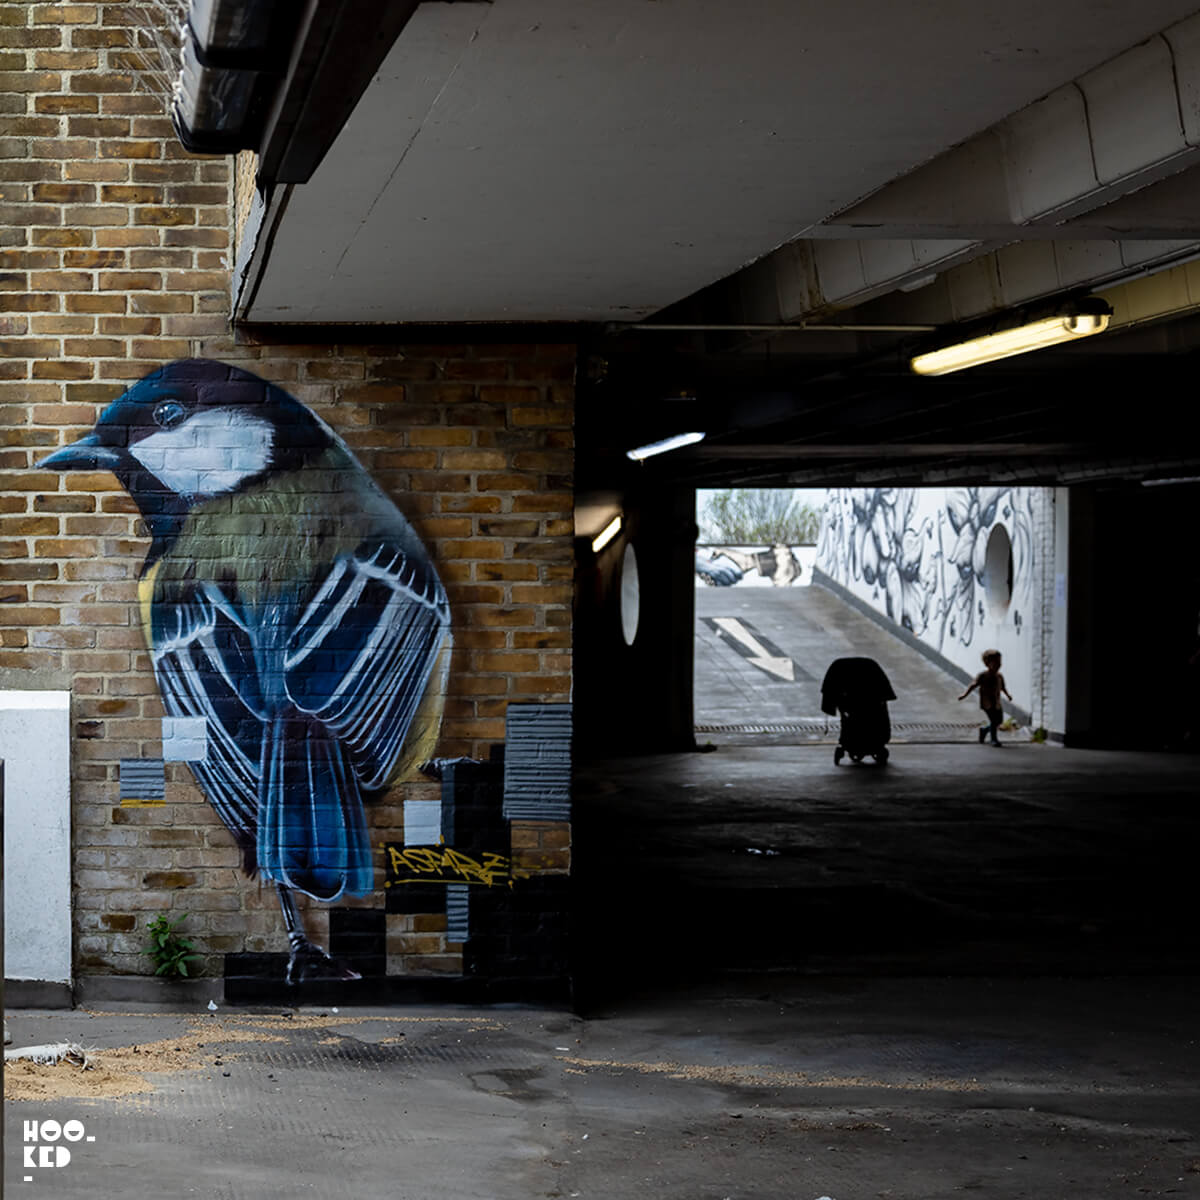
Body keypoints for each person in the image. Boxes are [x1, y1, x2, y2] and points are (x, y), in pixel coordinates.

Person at [959, 649, 1012, 746]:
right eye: (995, 662)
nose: (998, 664)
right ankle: (993, 739)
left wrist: (1008, 695)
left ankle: (984, 730)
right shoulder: (983, 676)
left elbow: (1003, 687)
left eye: (999, 662)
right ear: (987, 663)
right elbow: (973, 685)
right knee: (993, 720)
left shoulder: (999, 676)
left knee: (998, 721)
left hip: (997, 702)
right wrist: (964, 694)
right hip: (987, 702)